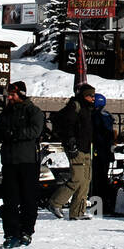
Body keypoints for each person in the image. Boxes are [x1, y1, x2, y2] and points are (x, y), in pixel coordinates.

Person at [0, 82, 46, 248]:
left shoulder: (32, 111)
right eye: (9, 95)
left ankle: (26, 231)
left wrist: (14, 134)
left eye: (13, 94)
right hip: (9, 161)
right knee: (9, 200)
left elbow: (35, 131)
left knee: (29, 199)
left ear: (21, 94)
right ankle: (11, 233)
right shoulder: (5, 113)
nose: (10, 97)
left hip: (28, 161)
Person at [49, 82, 96, 220]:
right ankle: (55, 202)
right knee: (77, 178)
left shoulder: (87, 109)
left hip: (86, 148)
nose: (93, 98)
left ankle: (77, 212)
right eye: (90, 95)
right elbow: (67, 125)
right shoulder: (75, 106)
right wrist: (71, 142)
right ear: (83, 96)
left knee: (86, 180)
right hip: (76, 148)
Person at [91, 94, 115, 214]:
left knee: (97, 180)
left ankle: (97, 207)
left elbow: (97, 135)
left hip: (99, 151)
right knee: (102, 179)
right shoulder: (106, 115)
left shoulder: (97, 116)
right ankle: (101, 206)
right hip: (105, 152)